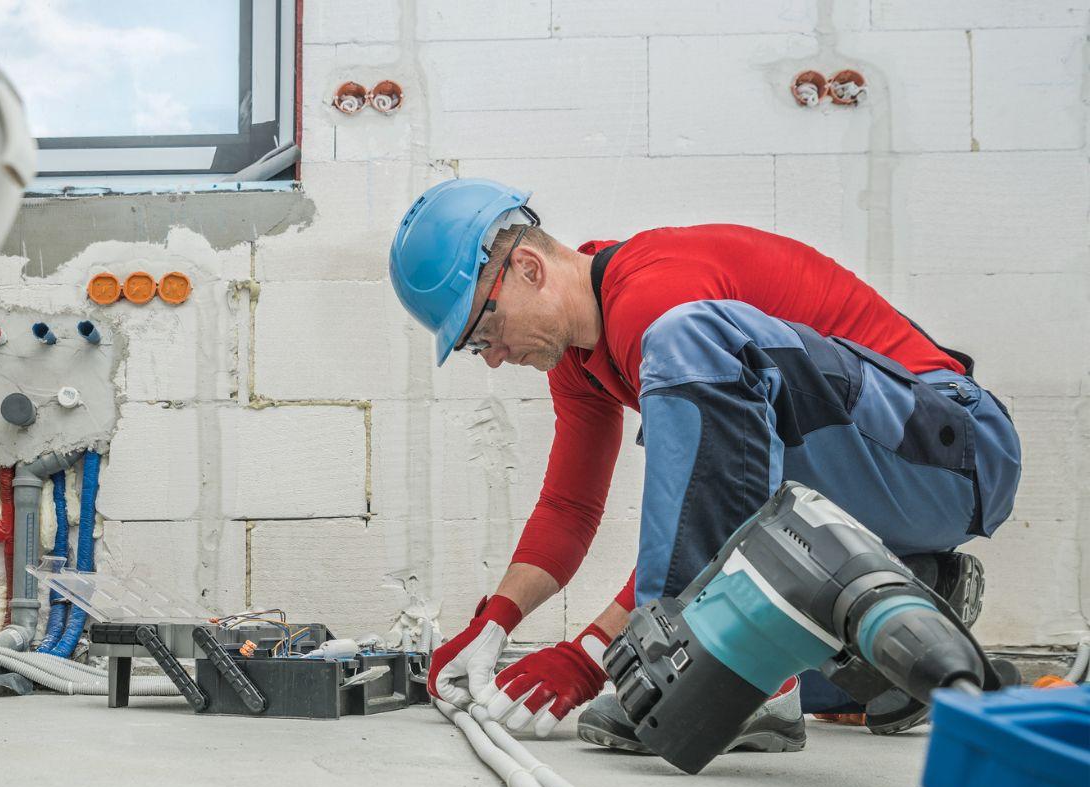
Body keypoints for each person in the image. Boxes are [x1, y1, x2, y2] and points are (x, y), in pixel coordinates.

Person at [388, 179, 1021, 751]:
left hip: (957, 449)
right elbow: (569, 507)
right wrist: (494, 624)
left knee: (686, 340)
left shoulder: (655, 301)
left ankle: (706, 671)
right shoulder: (580, 357)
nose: (491, 357)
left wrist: (591, 655)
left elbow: (708, 497)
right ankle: (918, 588)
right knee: (804, 658)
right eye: (475, 349)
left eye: (481, 331)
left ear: (526, 269)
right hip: (880, 482)